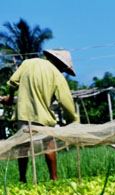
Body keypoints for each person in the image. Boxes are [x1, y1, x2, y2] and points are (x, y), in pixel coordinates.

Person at [1, 49, 79, 182]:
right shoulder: (57, 74)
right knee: (49, 146)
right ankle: (54, 179)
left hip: (23, 114)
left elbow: (12, 82)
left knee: (23, 148)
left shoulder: (27, 63)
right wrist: (74, 121)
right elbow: (66, 101)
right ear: (61, 65)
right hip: (43, 117)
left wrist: (11, 97)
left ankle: (22, 179)